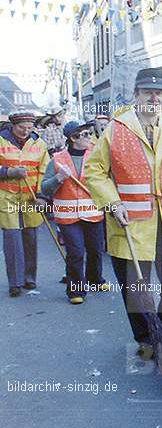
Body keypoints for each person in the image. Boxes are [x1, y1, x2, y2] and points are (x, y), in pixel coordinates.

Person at [84, 68, 162, 363]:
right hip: (130, 222)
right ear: (136, 95)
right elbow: (94, 171)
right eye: (147, 92)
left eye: (158, 93)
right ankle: (146, 338)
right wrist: (112, 202)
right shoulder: (116, 130)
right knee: (135, 287)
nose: (153, 97)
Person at [41, 121, 107, 305]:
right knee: (76, 252)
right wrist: (59, 178)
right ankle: (75, 290)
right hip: (68, 217)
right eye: (85, 134)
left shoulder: (96, 155)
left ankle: (95, 280)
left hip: (93, 213)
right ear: (73, 138)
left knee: (95, 250)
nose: (89, 137)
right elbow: (45, 189)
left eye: (89, 133)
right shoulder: (57, 160)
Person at [0, 113, 50, 298]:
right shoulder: (1, 141)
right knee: (12, 237)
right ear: (13, 126)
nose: (26, 131)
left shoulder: (39, 144)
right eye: (22, 128)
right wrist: (8, 172)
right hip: (7, 197)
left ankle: (29, 277)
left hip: (31, 198)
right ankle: (15, 282)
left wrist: (42, 196)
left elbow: (45, 171)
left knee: (30, 236)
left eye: (29, 128)